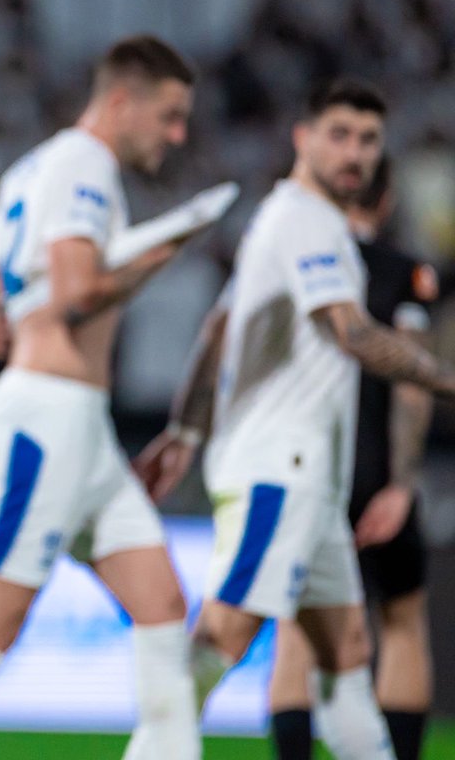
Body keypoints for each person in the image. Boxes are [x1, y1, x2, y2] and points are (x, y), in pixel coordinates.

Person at [0, 36, 206, 760]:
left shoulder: (34, 166)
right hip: (50, 424)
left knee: (163, 611)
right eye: (168, 116)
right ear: (121, 101)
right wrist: (154, 257)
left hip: (78, 433)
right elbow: (76, 294)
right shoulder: (88, 165)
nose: (178, 135)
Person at [138, 79, 455, 760]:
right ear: (302, 138)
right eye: (339, 134)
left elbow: (221, 330)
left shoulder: (293, 222)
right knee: (219, 641)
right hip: (282, 470)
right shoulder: (306, 220)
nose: (355, 152)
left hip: (311, 480)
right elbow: (352, 333)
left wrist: (188, 430)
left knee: (348, 651)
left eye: (368, 139)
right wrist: (447, 378)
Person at [265, 158, 436, 760]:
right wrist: (401, 483)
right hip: (375, 467)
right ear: (386, 202)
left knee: (295, 628)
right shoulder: (400, 273)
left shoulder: (286, 264)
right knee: (402, 619)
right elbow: (412, 380)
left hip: (304, 466)